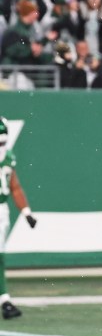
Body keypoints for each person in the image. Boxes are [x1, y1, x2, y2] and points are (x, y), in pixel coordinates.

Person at [0, 117, 38, 320]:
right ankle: (4, 300)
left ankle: (4, 300)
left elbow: (14, 186)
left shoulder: (8, 157)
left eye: (3, 142)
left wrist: (26, 212)